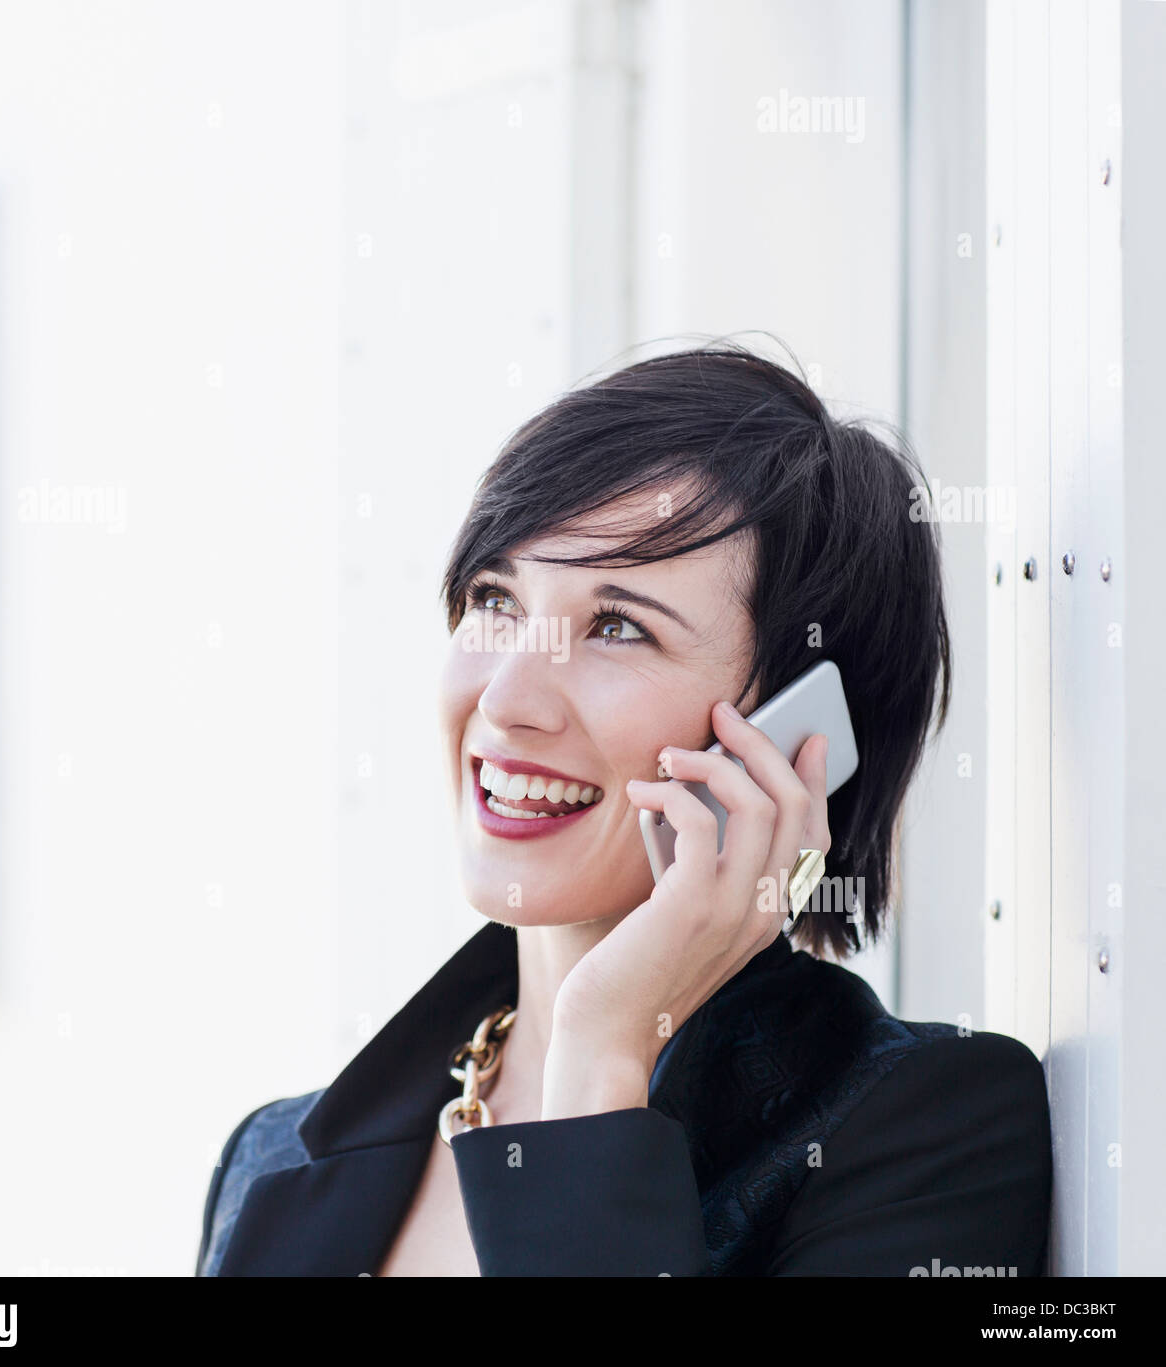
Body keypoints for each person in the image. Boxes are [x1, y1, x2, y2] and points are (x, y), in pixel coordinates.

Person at [196, 342, 1052, 1277]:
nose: (508, 697)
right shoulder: (271, 1157)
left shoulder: (925, 1133)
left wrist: (602, 1047)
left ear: (798, 738)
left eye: (616, 627)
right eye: (496, 600)